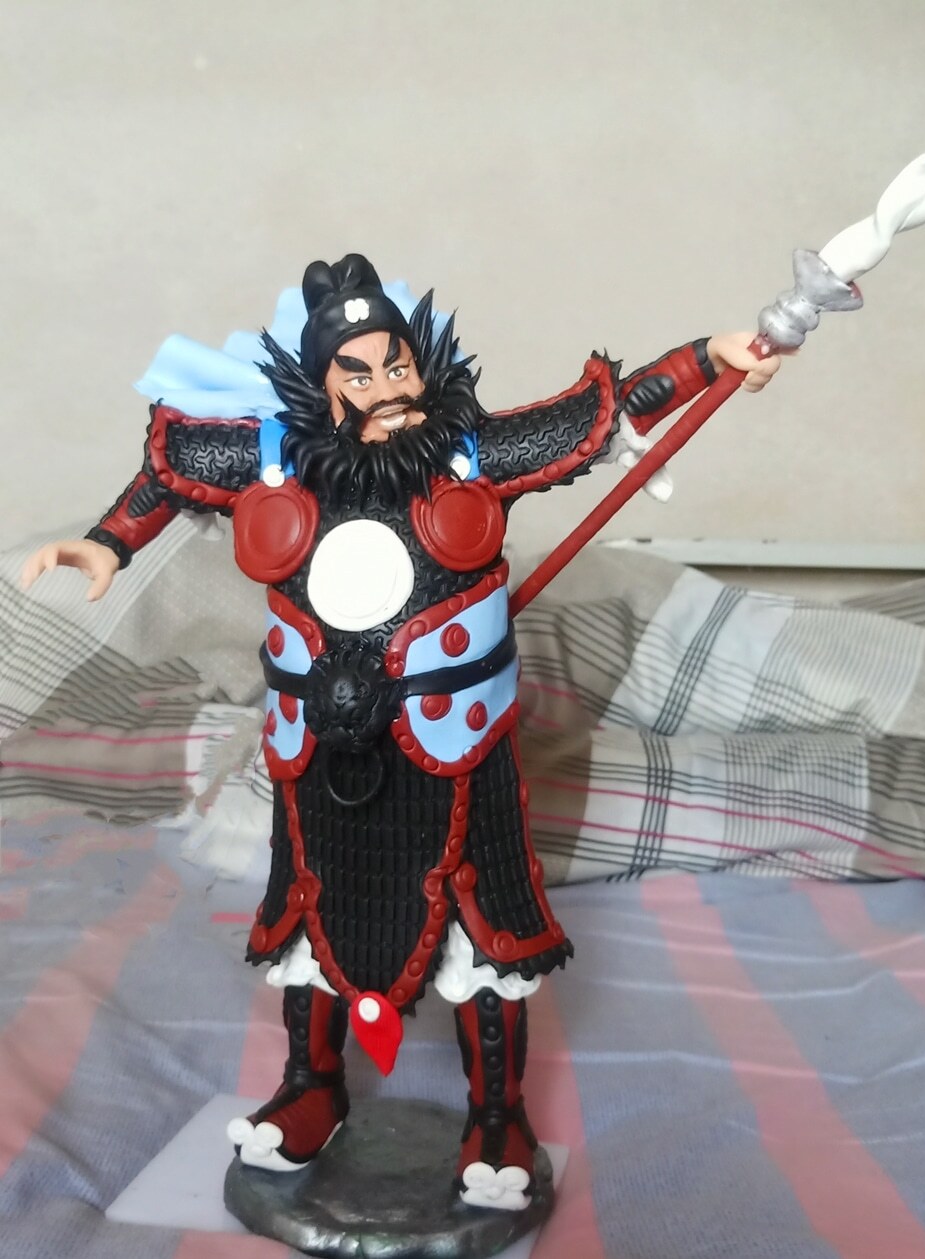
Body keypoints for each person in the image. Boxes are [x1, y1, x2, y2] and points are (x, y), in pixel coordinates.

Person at [22, 253, 781, 1210]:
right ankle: (311, 1087)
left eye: (398, 365)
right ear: (321, 382)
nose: (386, 388)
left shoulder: (472, 455)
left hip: (458, 750)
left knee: (484, 931)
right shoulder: (274, 461)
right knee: (309, 916)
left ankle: (497, 1114)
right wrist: (106, 541)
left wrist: (707, 357)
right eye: (359, 371)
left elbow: (597, 418)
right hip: (320, 752)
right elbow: (171, 470)